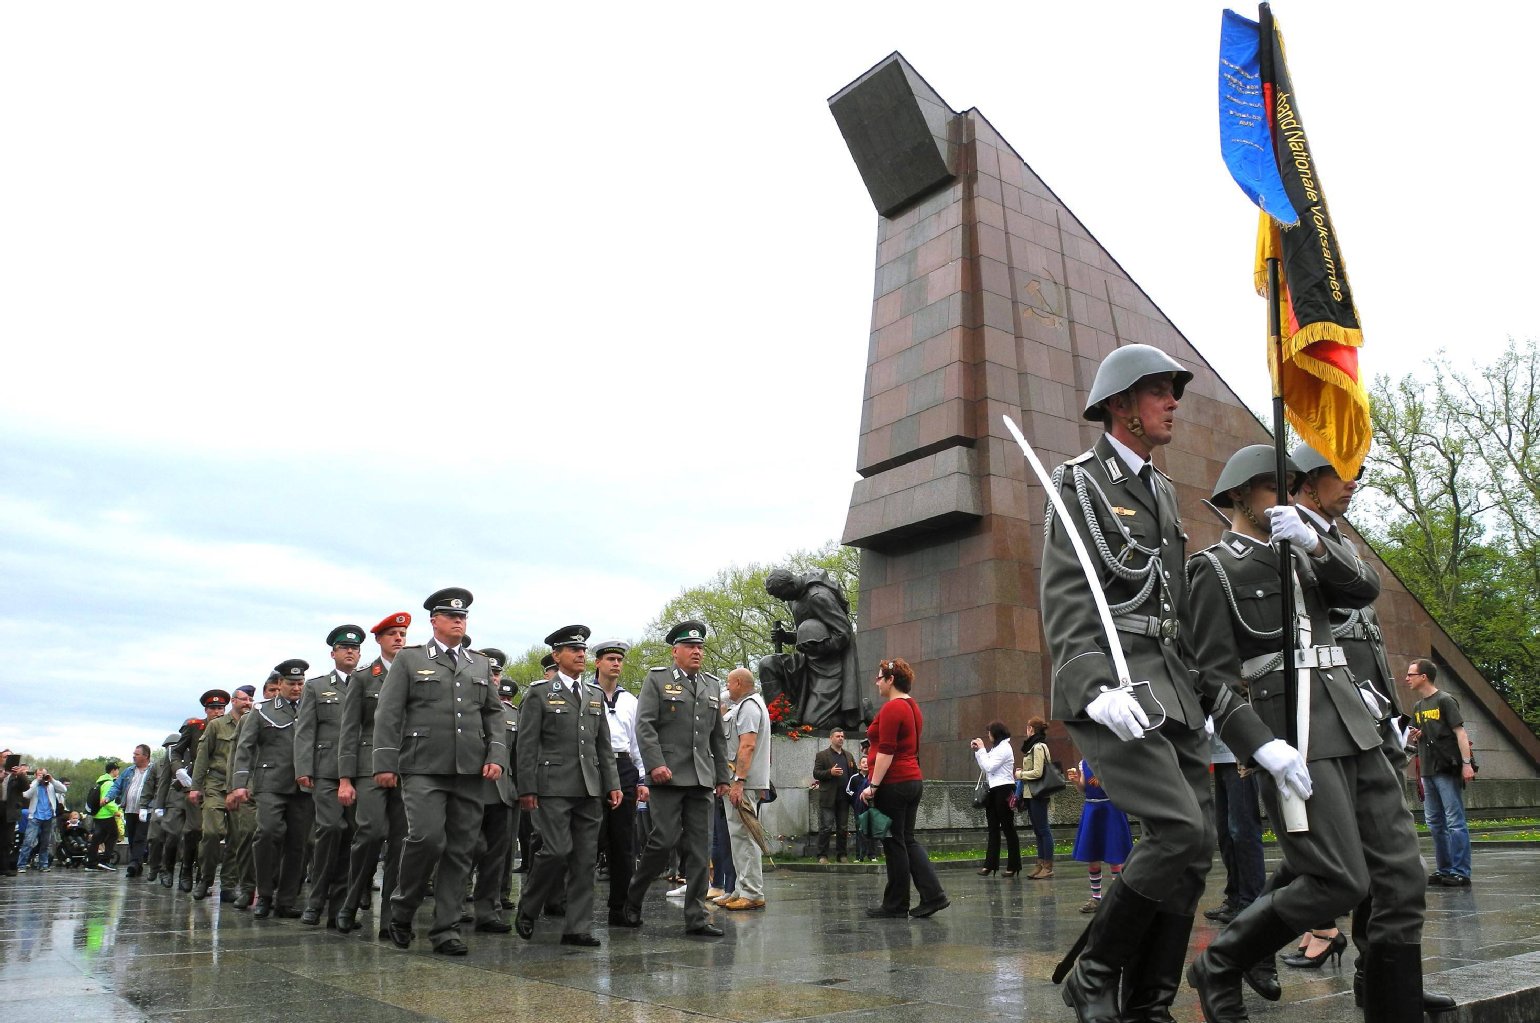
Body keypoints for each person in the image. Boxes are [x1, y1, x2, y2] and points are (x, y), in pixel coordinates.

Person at [1040, 347, 1296, 1023]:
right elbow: (1067, 594)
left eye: (1172, 392)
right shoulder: (1081, 483)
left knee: (1195, 850)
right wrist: (1093, 683)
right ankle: (1092, 974)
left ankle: (1149, 1001)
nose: (1173, 403)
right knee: (1178, 829)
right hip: (1116, 684)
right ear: (1122, 405)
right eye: (1160, 392)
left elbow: (1176, 606)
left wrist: (1209, 698)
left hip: (1172, 685)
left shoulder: (1158, 489)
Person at [1185, 444, 1429, 1022]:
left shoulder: (1302, 551)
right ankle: (1221, 962)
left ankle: (1394, 1004)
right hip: (1291, 729)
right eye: (1275, 487)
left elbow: (1364, 589)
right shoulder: (1213, 567)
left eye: (1292, 487)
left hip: (1350, 720)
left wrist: (1315, 542)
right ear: (1241, 494)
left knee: (1401, 873)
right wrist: (1259, 746)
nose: (1286, 498)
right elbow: (1210, 678)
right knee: (1338, 878)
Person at [371, 587, 506, 956]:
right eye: (452, 616)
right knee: (427, 839)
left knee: (462, 849)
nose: (459, 622)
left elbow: (493, 712)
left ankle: (445, 929)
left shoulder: (479, 663)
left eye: (463, 617)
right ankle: (402, 906)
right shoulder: (411, 660)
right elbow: (388, 712)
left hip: (469, 769)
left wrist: (495, 752)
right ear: (435, 621)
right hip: (422, 767)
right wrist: (384, 762)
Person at [618, 620, 731, 937]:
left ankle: (696, 916)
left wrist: (722, 775)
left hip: (700, 779)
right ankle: (634, 897)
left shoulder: (710, 684)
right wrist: (655, 764)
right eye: (690, 647)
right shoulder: (657, 680)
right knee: (663, 841)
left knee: (699, 849)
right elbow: (645, 726)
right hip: (666, 777)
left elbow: (717, 737)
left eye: (700, 647)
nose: (697, 651)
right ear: (675, 651)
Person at [514, 625, 621, 947]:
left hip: (589, 788)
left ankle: (578, 927)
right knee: (556, 851)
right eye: (573, 650)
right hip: (553, 787)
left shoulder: (593, 695)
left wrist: (612, 784)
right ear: (556, 656)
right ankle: (530, 905)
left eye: (582, 650)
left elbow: (604, 744)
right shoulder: (539, 693)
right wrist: (526, 789)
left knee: (585, 859)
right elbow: (526, 745)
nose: (580, 655)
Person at [336, 611, 411, 935]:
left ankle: (392, 916)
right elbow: (349, 730)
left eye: (403, 634)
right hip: (369, 768)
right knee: (370, 833)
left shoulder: (416, 673)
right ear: (379, 640)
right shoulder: (365, 677)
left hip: (408, 767)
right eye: (392, 634)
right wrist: (344, 779)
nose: (398, 639)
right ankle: (351, 901)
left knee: (401, 841)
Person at [861, 657, 948, 918]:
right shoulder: (912, 707)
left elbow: (887, 751)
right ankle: (934, 896)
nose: (876, 682)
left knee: (893, 842)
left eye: (880, 677)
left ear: (890, 680)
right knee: (906, 840)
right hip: (912, 780)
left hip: (894, 783)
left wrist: (873, 785)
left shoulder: (891, 708)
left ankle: (896, 905)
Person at [230, 659, 314, 919]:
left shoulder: (312, 708)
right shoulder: (262, 710)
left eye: (301, 683)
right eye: (291, 683)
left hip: (303, 786)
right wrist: (239, 784)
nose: (297, 688)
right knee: (266, 834)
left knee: (298, 844)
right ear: (280, 684)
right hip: (270, 784)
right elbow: (245, 748)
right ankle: (264, 893)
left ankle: (286, 899)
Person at [295, 624, 364, 926]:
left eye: (355, 648)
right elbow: (305, 730)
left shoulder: (368, 683)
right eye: (344, 648)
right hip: (325, 771)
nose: (350, 651)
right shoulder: (316, 686)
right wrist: (303, 768)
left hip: (360, 771)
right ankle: (316, 899)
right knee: (330, 828)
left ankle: (340, 906)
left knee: (352, 834)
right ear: (333, 653)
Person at [592, 639, 647, 925]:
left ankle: (620, 907)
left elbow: (637, 742)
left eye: (619, 659)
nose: (616, 663)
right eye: (610, 658)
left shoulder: (630, 700)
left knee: (623, 841)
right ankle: (568, 904)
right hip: (592, 766)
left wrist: (641, 777)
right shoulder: (587, 693)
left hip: (623, 765)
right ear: (597, 662)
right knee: (588, 838)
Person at [1408, 659, 1475, 887]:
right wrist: (1417, 735)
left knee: (1455, 821)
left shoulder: (1445, 700)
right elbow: (1424, 735)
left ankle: (1461, 871)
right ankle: (1445, 869)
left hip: (1446, 769)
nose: (1407, 678)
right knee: (1435, 822)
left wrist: (1466, 764)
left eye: (1411, 674)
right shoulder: (1417, 707)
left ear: (1423, 676)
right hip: (1427, 770)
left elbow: (1461, 734)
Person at [468, 652, 519, 935]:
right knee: (466, 849)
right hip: (469, 789)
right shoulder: (465, 708)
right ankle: (455, 905)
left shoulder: (510, 714)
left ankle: (489, 910)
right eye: (489, 674)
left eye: (497, 675)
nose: (494, 679)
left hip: (502, 791)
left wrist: (521, 788)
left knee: (497, 856)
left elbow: (520, 754)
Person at [189, 685, 255, 903]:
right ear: (234, 702)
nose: (247, 703)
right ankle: (205, 879)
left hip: (240, 786)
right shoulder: (216, 725)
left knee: (238, 836)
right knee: (212, 833)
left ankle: (228, 884)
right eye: (244, 699)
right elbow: (202, 758)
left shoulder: (253, 723)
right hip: (216, 785)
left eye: (250, 700)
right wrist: (195, 787)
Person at [722, 667, 770, 910]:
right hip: (742, 781)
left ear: (739, 682)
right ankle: (742, 888)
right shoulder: (747, 705)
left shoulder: (749, 707)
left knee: (745, 837)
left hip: (743, 782)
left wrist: (738, 781)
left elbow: (747, 745)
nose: (727, 688)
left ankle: (752, 893)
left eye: (729, 684)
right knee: (739, 837)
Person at [1066, 759, 1131, 913]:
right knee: (1092, 856)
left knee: (1114, 855)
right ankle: (1096, 898)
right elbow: (1083, 787)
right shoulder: (1084, 763)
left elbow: (1120, 785)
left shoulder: (1110, 759)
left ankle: (1117, 898)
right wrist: (1076, 782)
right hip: (1092, 810)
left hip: (1110, 810)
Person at [971, 720, 1021, 877]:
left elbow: (990, 766)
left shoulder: (1005, 748)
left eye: (989, 733)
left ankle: (1013, 865)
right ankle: (990, 864)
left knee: (1007, 827)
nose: (988, 736)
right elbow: (985, 767)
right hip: (993, 789)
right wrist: (980, 752)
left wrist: (981, 751)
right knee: (993, 828)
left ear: (996, 733)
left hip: (1004, 789)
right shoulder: (996, 748)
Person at [1014, 718, 1054, 879]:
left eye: (1027, 727)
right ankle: (1040, 864)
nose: (1026, 730)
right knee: (1038, 830)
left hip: (1038, 793)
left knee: (1043, 829)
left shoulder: (1038, 747)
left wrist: (1020, 774)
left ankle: (1048, 866)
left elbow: (1038, 772)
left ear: (1031, 729)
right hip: (1031, 793)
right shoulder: (1033, 746)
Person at [106, 744, 154, 876]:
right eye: (134, 754)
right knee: (132, 837)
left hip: (146, 810)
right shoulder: (129, 771)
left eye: (137, 754)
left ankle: (133, 863)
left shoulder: (154, 770)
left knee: (140, 837)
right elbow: (117, 786)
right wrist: (108, 797)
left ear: (146, 756)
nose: (134, 756)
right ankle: (137, 865)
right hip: (129, 809)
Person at [812, 728, 858, 864]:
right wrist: (830, 772)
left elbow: (854, 774)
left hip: (844, 798)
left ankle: (842, 855)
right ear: (831, 738)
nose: (841, 738)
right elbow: (816, 773)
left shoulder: (848, 756)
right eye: (838, 736)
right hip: (829, 797)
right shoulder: (822, 755)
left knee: (843, 828)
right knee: (826, 826)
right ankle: (822, 855)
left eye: (842, 736)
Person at [16, 768, 66, 872]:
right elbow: (26, 794)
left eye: (44, 774)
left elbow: (64, 789)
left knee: (45, 843)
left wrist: (52, 780)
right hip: (35, 817)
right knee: (28, 841)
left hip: (48, 817)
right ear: (35, 775)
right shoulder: (33, 785)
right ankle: (21, 865)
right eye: (40, 774)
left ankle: (43, 865)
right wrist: (37, 782)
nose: (42, 776)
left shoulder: (51, 785)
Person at [88, 761, 121, 871]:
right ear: (113, 770)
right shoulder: (109, 783)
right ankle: (105, 860)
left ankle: (91, 862)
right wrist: (116, 811)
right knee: (113, 835)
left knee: (97, 838)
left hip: (98, 814)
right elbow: (107, 800)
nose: (118, 771)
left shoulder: (100, 782)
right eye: (117, 769)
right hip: (106, 814)